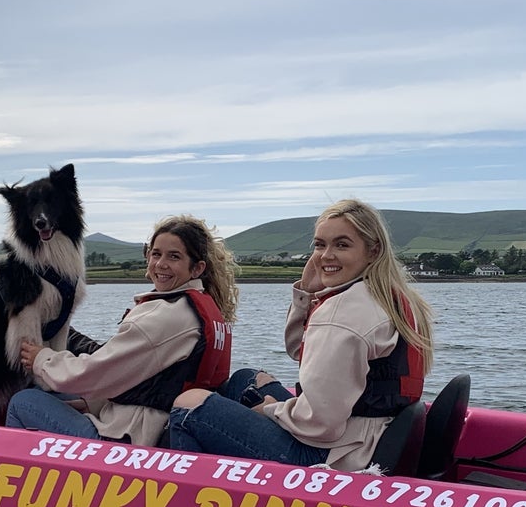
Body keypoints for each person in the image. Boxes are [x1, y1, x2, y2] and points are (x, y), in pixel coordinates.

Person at [168, 198, 434, 470]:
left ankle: (194, 498)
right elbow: (300, 351)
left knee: (189, 406)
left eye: (341, 245)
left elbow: (320, 424)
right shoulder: (387, 296)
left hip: (334, 455)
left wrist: (270, 410)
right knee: (246, 379)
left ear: (373, 251)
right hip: (370, 434)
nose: (326, 255)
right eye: (320, 245)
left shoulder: (343, 313)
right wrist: (306, 293)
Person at [6, 214, 239, 446]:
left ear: (197, 268)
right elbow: (147, 381)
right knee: (62, 396)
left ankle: (9, 474)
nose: (160, 264)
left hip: (128, 439)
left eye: (174, 256)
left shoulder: (168, 316)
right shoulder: (203, 310)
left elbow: (92, 373)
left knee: (24, 401)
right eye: (156, 254)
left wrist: (41, 359)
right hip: (154, 425)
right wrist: (93, 404)